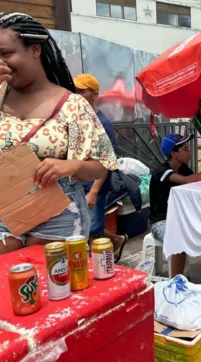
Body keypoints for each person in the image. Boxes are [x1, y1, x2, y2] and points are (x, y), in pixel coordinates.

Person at [0, 12, 116, 254]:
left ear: (34, 50)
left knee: (55, 283)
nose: (1, 63)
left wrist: (71, 166)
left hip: (60, 215)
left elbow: (100, 165)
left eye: (5, 54)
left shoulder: (72, 106)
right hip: (5, 210)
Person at [149, 133, 201, 286]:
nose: (189, 151)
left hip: (183, 218)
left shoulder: (184, 168)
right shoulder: (161, 171)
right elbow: (187, 181)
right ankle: (176, 284)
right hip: (162, 222)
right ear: (174, 154)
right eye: (185, 149)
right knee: (179, 235)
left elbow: (197, 181)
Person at [73, 74, 128, 259]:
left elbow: (105, 162)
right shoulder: (76, 120)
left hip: (94, 184)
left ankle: (97, 268)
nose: (77, 94)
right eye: (75, 91)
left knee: (93, 231)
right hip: (77, 182)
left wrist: (94, 192)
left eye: (81, 91)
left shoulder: (102, 124)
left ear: (94, 94)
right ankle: (117, 239)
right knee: (81, 225)